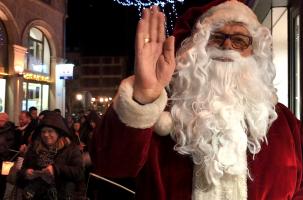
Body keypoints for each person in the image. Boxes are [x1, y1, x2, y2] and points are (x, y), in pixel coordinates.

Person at [91, 1, 303, 200]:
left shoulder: (285, 124)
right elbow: (110, 165)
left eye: (240, 40)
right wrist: (143, 98)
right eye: (216, 36)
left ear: (255, 53)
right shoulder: (160, 115)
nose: (227, 45)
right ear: (195, 48)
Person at [16, 111, 84, 200]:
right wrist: (26, 173)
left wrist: (56, 169)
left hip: (61, 195)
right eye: (43, 131)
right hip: (34, 195)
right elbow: (21, 171)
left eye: (50, 131)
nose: (46, 135)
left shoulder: (70, 149)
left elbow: (79, 172)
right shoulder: (34, 148)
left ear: (58, 133)